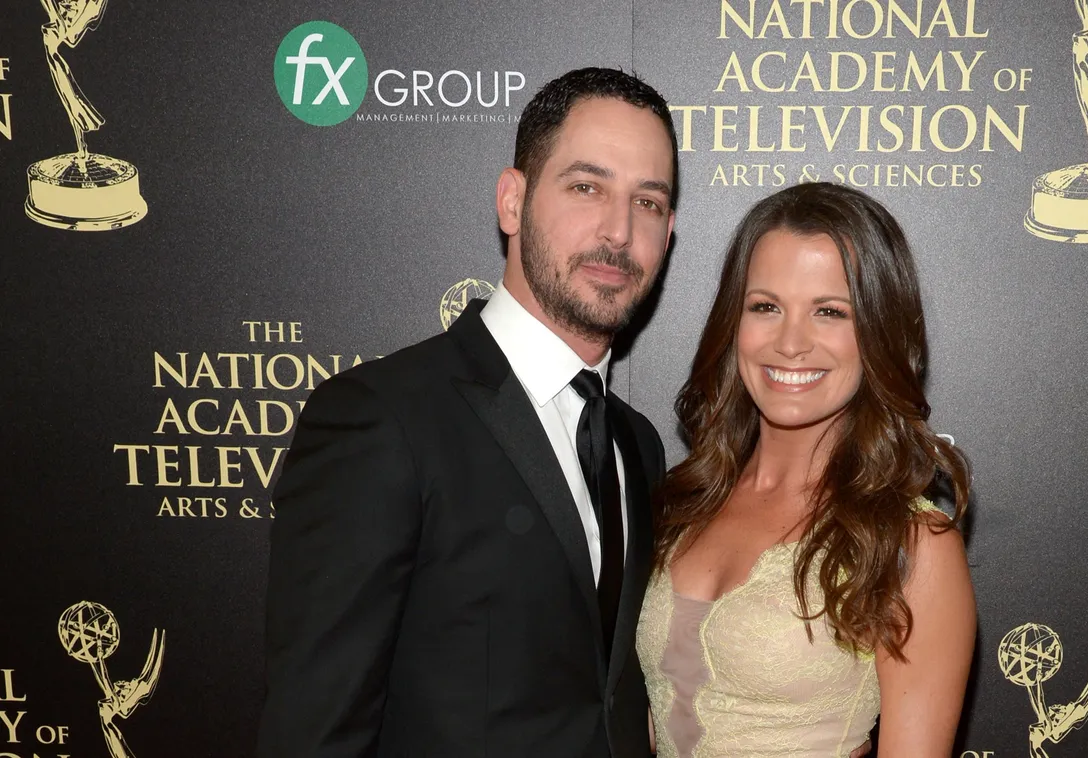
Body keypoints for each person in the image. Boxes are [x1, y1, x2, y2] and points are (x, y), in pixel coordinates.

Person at [258, 67, 678, 757]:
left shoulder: (637, 445)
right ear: (511, 202)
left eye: (649, 202)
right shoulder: (381, 420)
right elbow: (314, 729)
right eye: (586, 186)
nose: (618, 230)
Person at [636, 182, 976, 757]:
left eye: (829, 312)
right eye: (765, 306)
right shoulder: (685, 500)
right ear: (733, 321)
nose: (791, 342)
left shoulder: (913, 545)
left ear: (878, 332)